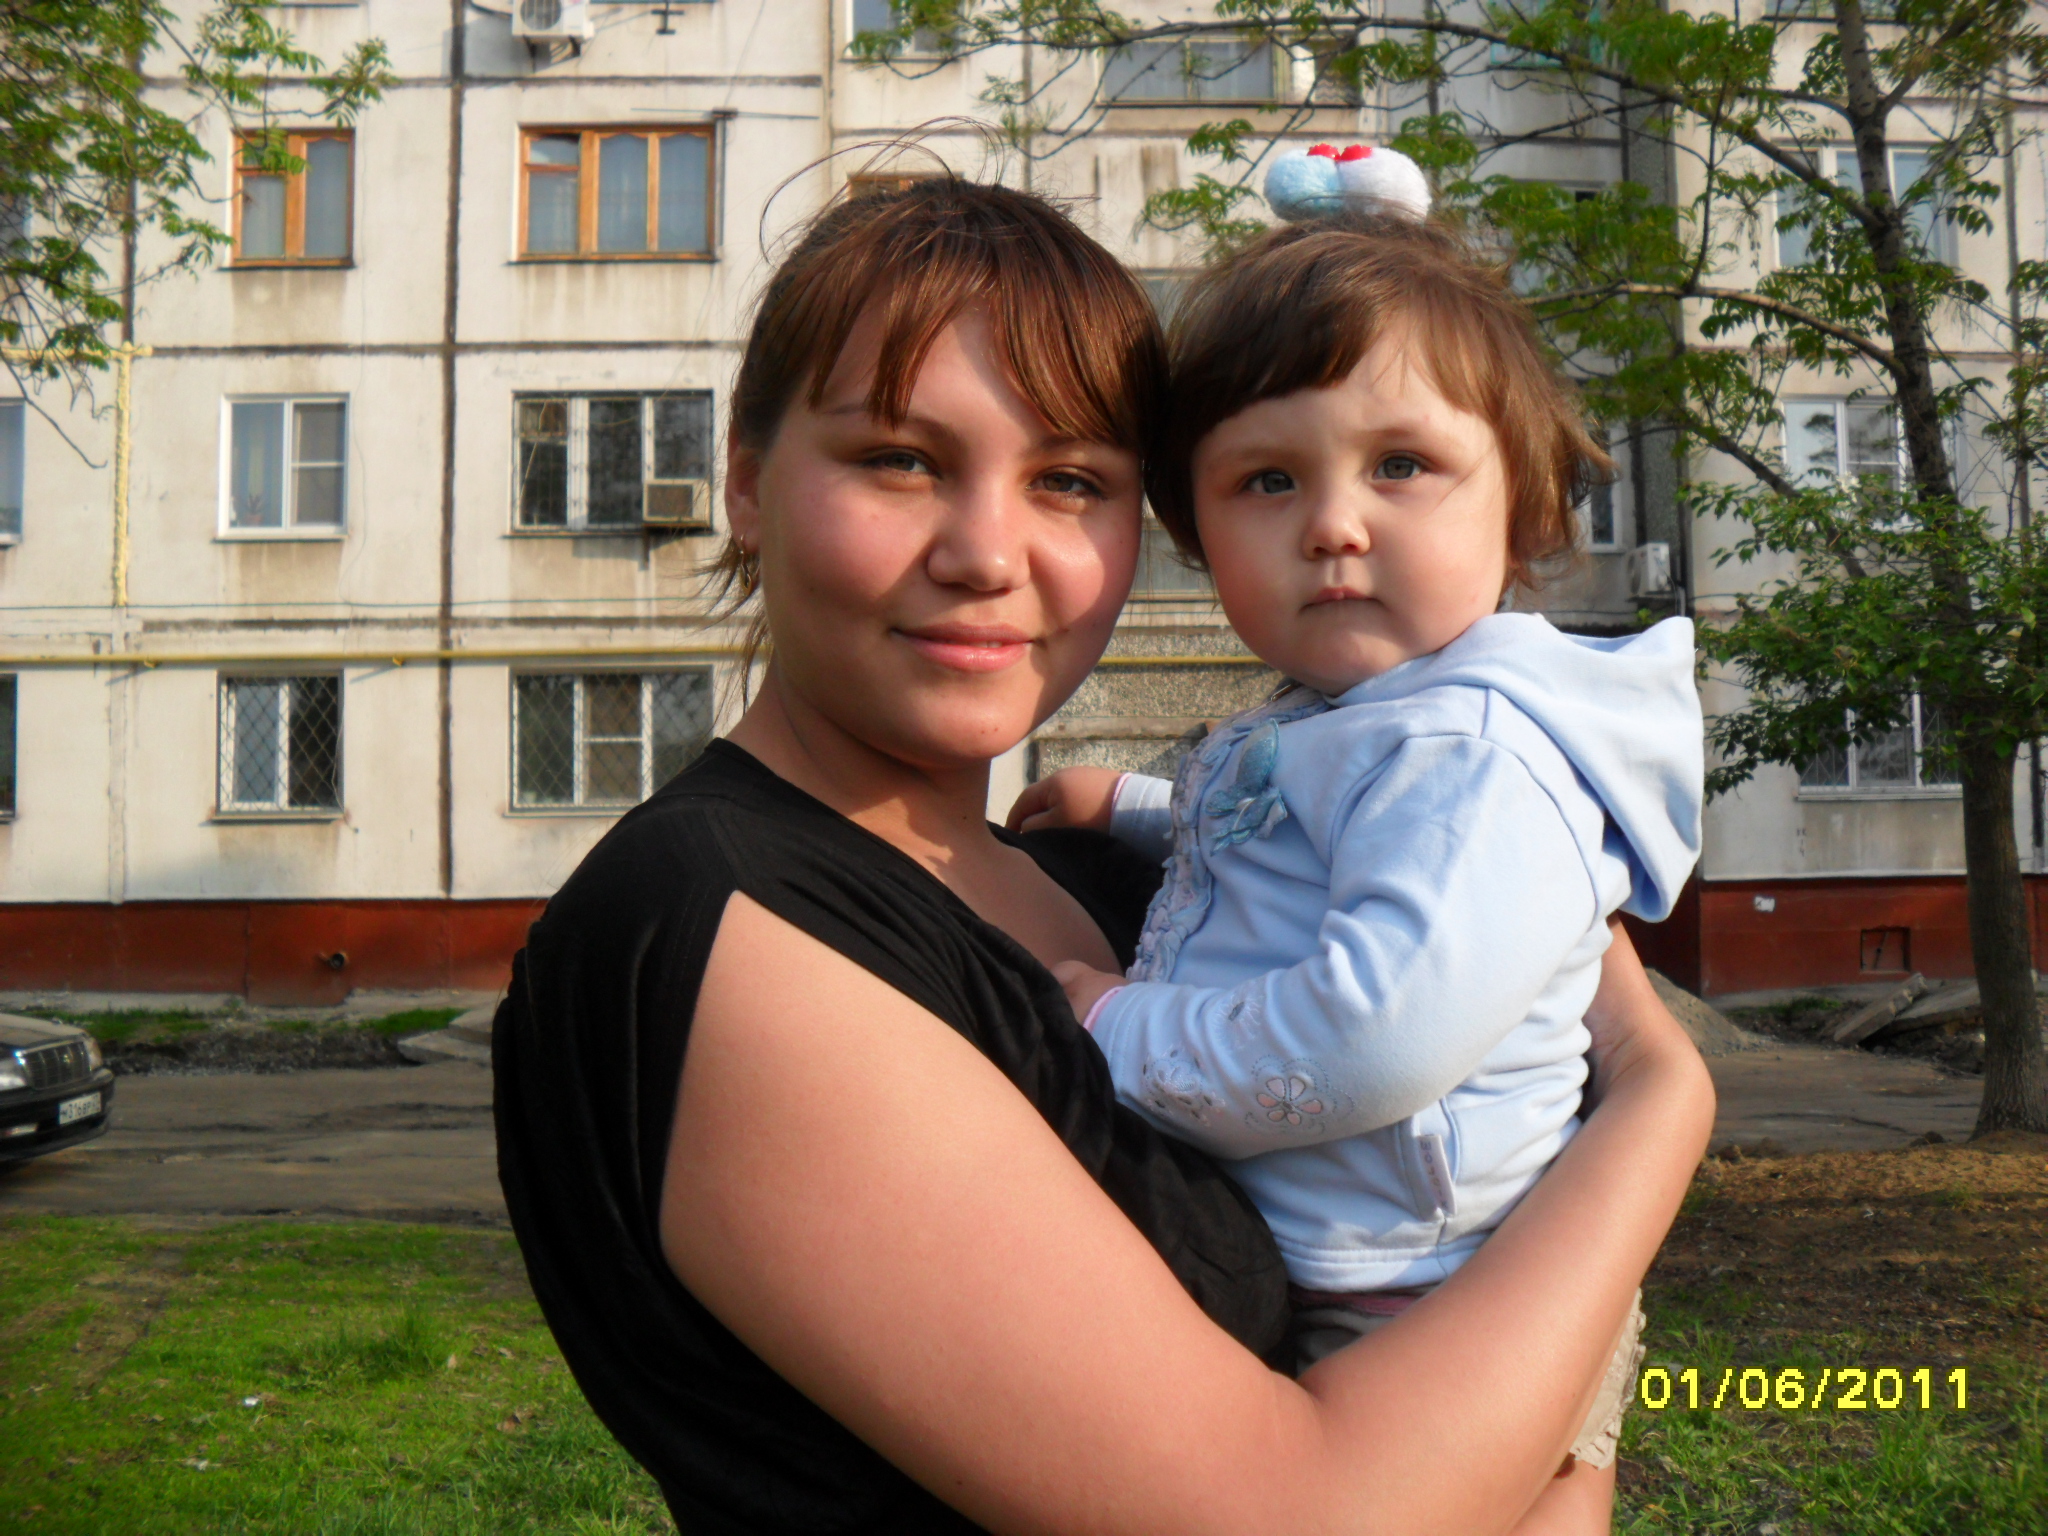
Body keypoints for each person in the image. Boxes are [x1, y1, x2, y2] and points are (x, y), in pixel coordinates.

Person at [494, 176, 1716, 1536]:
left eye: (1070, 480)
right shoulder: (724, 928)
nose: (987, 554)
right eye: (900, 459)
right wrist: (1661, 1106)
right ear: (742, 480)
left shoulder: (1109, 877)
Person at [1010, 214, 1703, 1533]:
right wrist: (1141, 809)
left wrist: (1112, 1023)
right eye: (1267, 480)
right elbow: (1285, 843)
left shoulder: (1470, 755)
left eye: (1401, 464)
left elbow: (1373, 1039)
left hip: (1435, 1289)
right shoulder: (1352, 723)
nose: (1333, 524)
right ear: (1195, 529)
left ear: (1524, 501)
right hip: (1379, 1255)